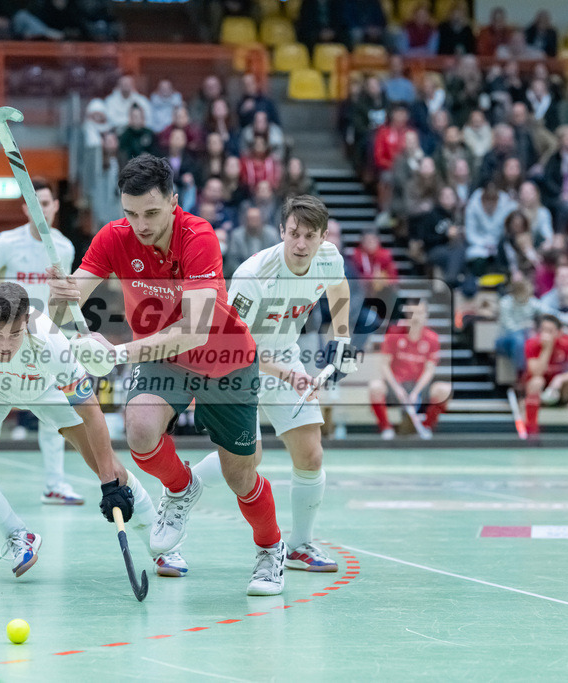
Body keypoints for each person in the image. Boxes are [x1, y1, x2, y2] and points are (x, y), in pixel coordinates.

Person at [45, 153, 287, 595]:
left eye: (151, 212)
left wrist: (118, 352)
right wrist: (59, 295)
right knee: (138, 429)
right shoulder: (114, 237)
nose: (139, 224)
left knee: (241, 477)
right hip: (162, 359)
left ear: (174, 201)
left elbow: (193, 332)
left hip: (224, 359)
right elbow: (65, 309)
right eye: (130, 213)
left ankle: (271, 549)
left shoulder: (199, 237)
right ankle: (181, 489)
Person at [0, 282, 158, 576]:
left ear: (27, 323)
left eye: (15, 334)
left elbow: (90, 413)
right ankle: (18, 535)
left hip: (46, 388)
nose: (5, 345)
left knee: (111, 469)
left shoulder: (51, 343)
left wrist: (108, 485)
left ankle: (160, 546)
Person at [211, 195, 355, 572]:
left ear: (323, 237)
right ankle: (181, 489)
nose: (301, 244)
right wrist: (288, 373)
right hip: (238, 363)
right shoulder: (253, 274)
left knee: (311, 454)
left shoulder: (328, 258)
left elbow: (339, 288)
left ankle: (300, 546)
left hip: (283, 354)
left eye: (310, 236)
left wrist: (342, 339)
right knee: (246, 461)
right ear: (281, 231)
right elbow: (233, 345)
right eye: (294, 234)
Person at [0, 177, 84, 504]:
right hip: (6, 340)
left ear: (55, 207)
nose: (40, 210)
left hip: (44, 342)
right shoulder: (6, 242)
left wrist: (58, 331)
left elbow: (61, 298)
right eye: (33, 204)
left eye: (45, 204)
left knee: (54, 415)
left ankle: (55, 485)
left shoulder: (64, 248)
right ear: (25, 209)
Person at [369, 299, 452, 439]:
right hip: (396, 386)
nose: (416, 317)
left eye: (420, 313)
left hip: (419, 387)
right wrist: (398, 390)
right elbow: (384, 365)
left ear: (426, 315)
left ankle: (426, 426)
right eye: (412, 313)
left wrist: (416, 392)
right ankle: (386, 428)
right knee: (375, 387)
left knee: (445, 390)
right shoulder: (394, 333)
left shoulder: (432, 338)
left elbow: (429, 370)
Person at [523, 314, 568, 436]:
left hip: (561, 390)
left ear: (559, 333)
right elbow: (536, 372)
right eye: (543, 330)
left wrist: (560, 378)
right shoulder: (531, 344)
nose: (545, 334)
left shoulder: (566, 343)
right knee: (536, 381)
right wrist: (546, 349)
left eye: (550, 331)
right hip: (541, 392)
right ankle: (532, 433)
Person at [496, 278, 543, 373]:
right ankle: (521, 374)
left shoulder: (532, 301)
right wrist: (525, 326)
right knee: (519, 340)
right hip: (504, 341)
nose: (528, 297)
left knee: (537, 338)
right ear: (516, 294)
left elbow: (551, 313)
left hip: (524, 338)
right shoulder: (505, 303)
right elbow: (510, 328)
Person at [223, 205, 280, 277]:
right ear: (245, 220)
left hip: (267, 274)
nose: (253, 222)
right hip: (243, 275)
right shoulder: (236, 235)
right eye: (251, 219)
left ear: (262, 220)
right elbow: (232, 260)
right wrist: (243, 273)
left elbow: (277, 256)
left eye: (256, 219)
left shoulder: (272, 234)